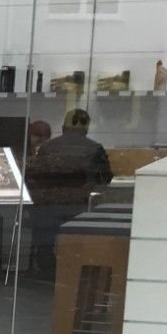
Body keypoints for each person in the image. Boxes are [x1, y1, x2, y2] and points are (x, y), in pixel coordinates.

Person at [26, 109, 112, 274]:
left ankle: (48, 269)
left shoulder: (47, 148)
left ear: (63, 128)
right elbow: (105, 179)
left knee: (46, 246)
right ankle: (71, 272)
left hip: (47, 210)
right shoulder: (95, 149)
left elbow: (35, 177)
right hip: (80, 209)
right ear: (86, 129)